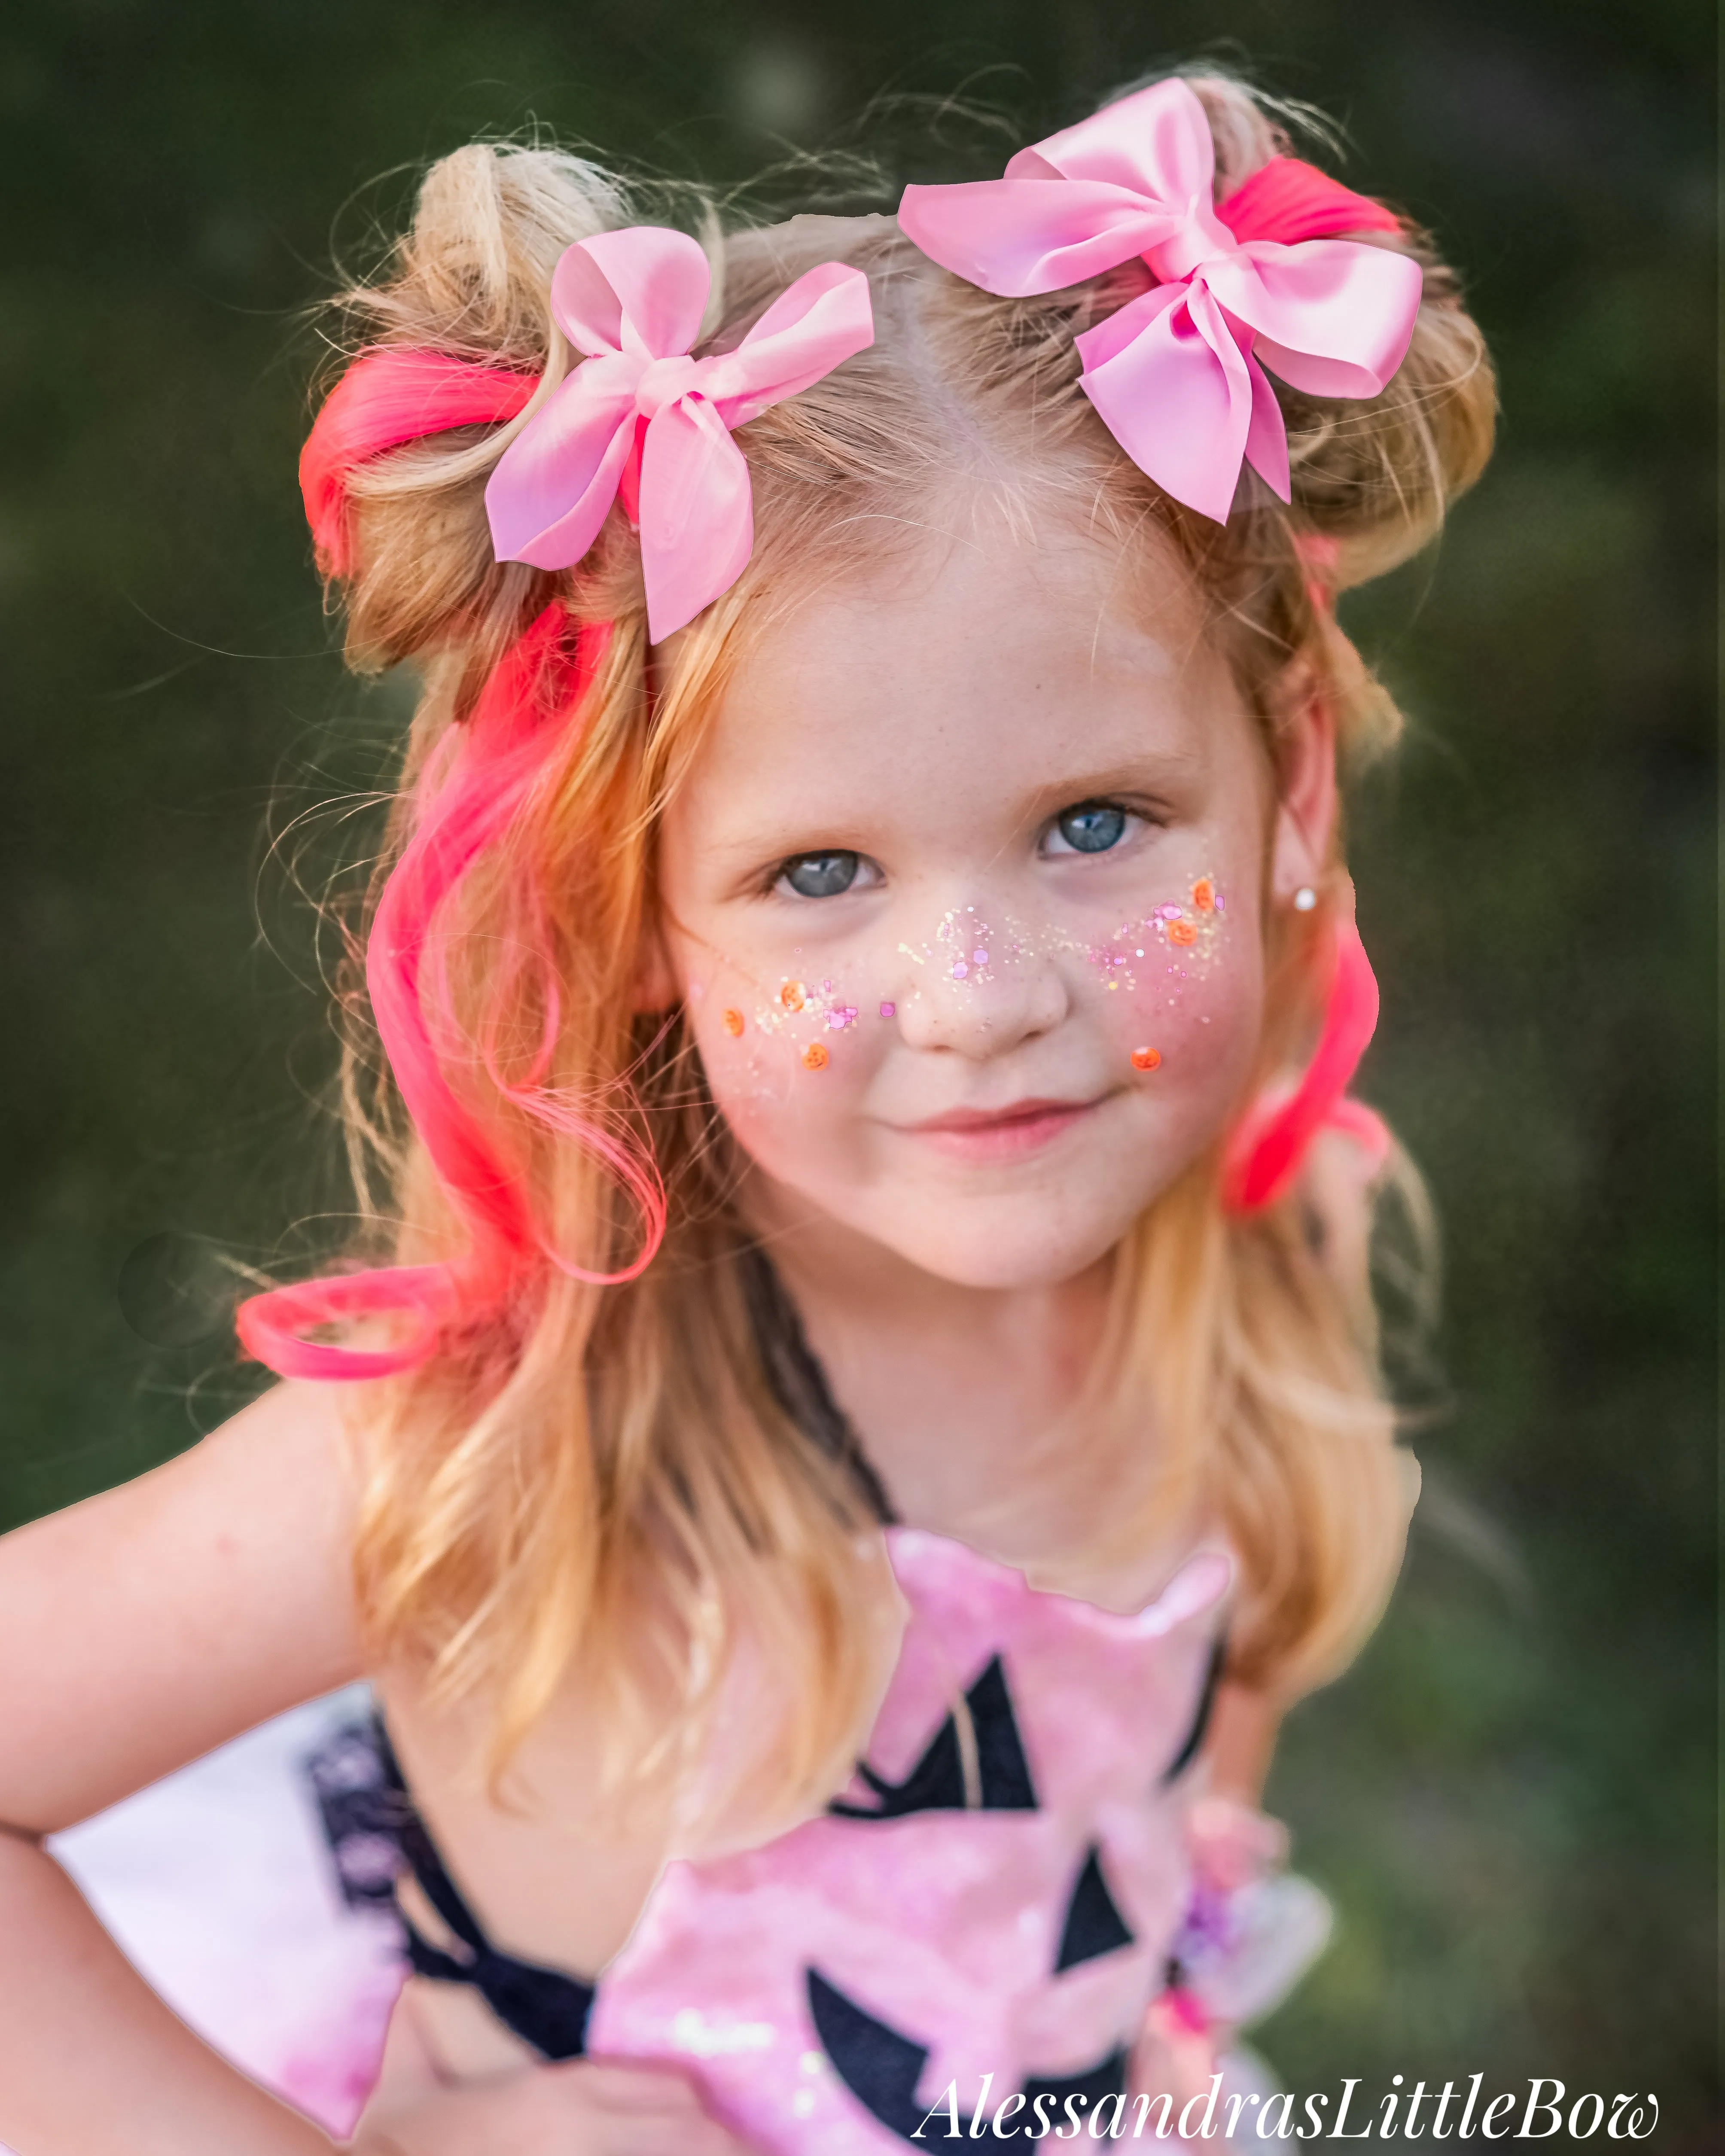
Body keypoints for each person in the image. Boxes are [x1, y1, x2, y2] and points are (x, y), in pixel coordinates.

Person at [0, 68, 1495, 2156]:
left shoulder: (1268, 1258)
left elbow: (1181, 1769)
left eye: (1091, 823)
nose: (981, 1003)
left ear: (1288, 799)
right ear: (630, 913)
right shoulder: (498, 1460)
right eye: (818, 874)